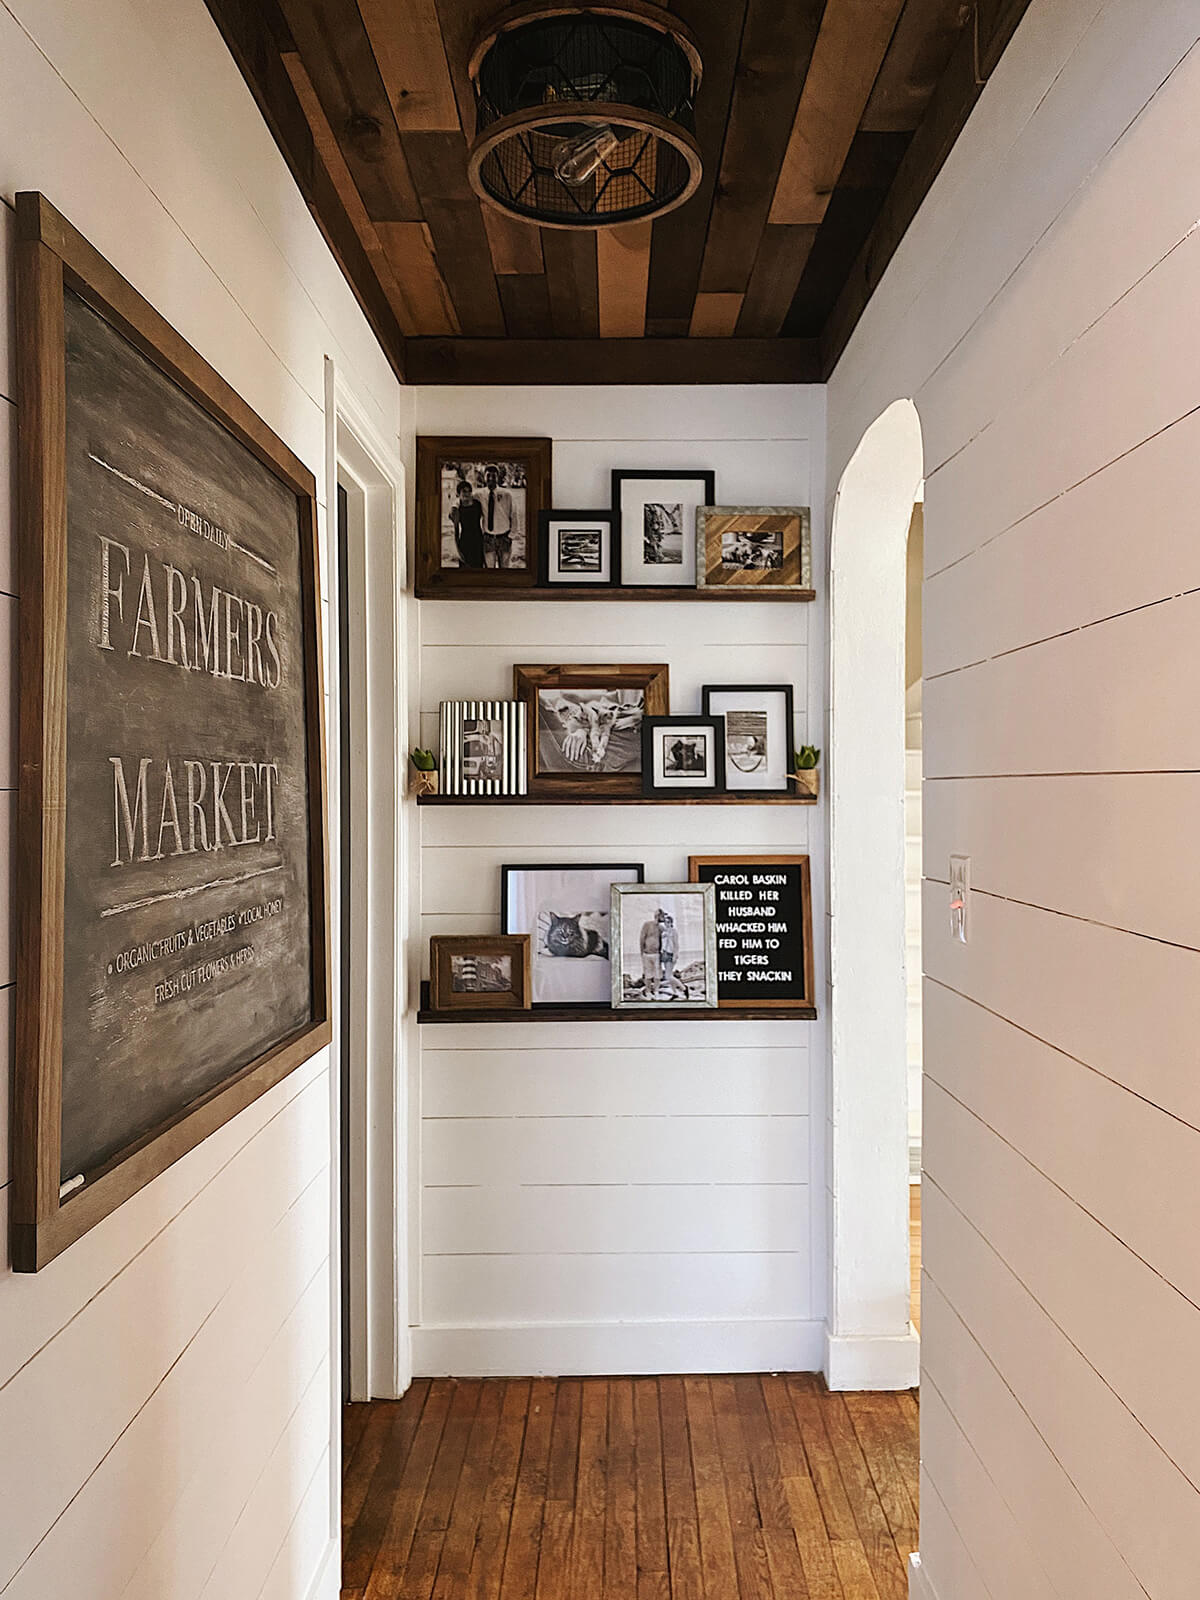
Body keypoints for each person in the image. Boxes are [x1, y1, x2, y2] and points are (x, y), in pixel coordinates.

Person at [480, 464, 515, 567]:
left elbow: (514, 514)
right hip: (488, 539)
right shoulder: (479, 494)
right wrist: (455, 506)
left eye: (494, 476)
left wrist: (511, 536)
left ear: (498, 477)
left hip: (504, 537)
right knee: (490, 570)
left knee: (504, 569)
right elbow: (465, 499)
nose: (491, 478)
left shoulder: (506, 494)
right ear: (484, 477)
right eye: (488, 475)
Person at [449, 478, 485, 568]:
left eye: (469, 491)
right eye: (464, 491)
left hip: (478, 539)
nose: (467, 494)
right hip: (465, 541)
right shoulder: (457, 509)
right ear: (458, 493)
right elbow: (456, 531)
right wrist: (458, 551)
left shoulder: (477, 504)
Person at [639, 912, 661, 997]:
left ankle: (656, 991)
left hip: (657, 954)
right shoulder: (647, 924)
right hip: (647, 953)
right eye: (659, 916)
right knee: (647, 974)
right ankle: (648, 991)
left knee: (657, 974)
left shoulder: (660, 927)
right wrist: (641, 952)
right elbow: (642, 938)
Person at [659, 910, 678, 995]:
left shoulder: (673, 931)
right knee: (669, 975)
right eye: (665, 922)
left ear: (671, 922)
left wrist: (675, 955)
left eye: (667, 922)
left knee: (668, 976)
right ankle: (675, 992)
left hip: (671, 954)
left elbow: (676, 944)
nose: (666, 923)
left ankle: (684, 988)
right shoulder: (663, 932)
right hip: (664, 954)